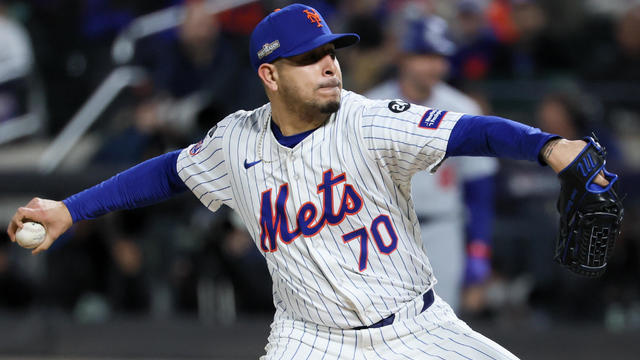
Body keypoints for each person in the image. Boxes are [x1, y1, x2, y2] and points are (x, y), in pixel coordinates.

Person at [7, 4, 611, 359]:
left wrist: (548, 146)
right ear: (269, 75)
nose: (329, 64)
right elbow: (165, 173)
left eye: (332, 51)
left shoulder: (368, 119)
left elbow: (469, 132)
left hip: (417, 327)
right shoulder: (235, 141)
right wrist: (70, 208)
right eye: (309, 58)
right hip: (311, 342)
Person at [366, 14, 498, 312]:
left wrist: (479, 251)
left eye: (440, 57)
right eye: (424, 55)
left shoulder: (463, 111)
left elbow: (480, 191)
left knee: (442, 336)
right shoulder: (370, 108)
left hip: (443, 231)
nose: (434, 65)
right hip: (384, 233)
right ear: (403, 58)